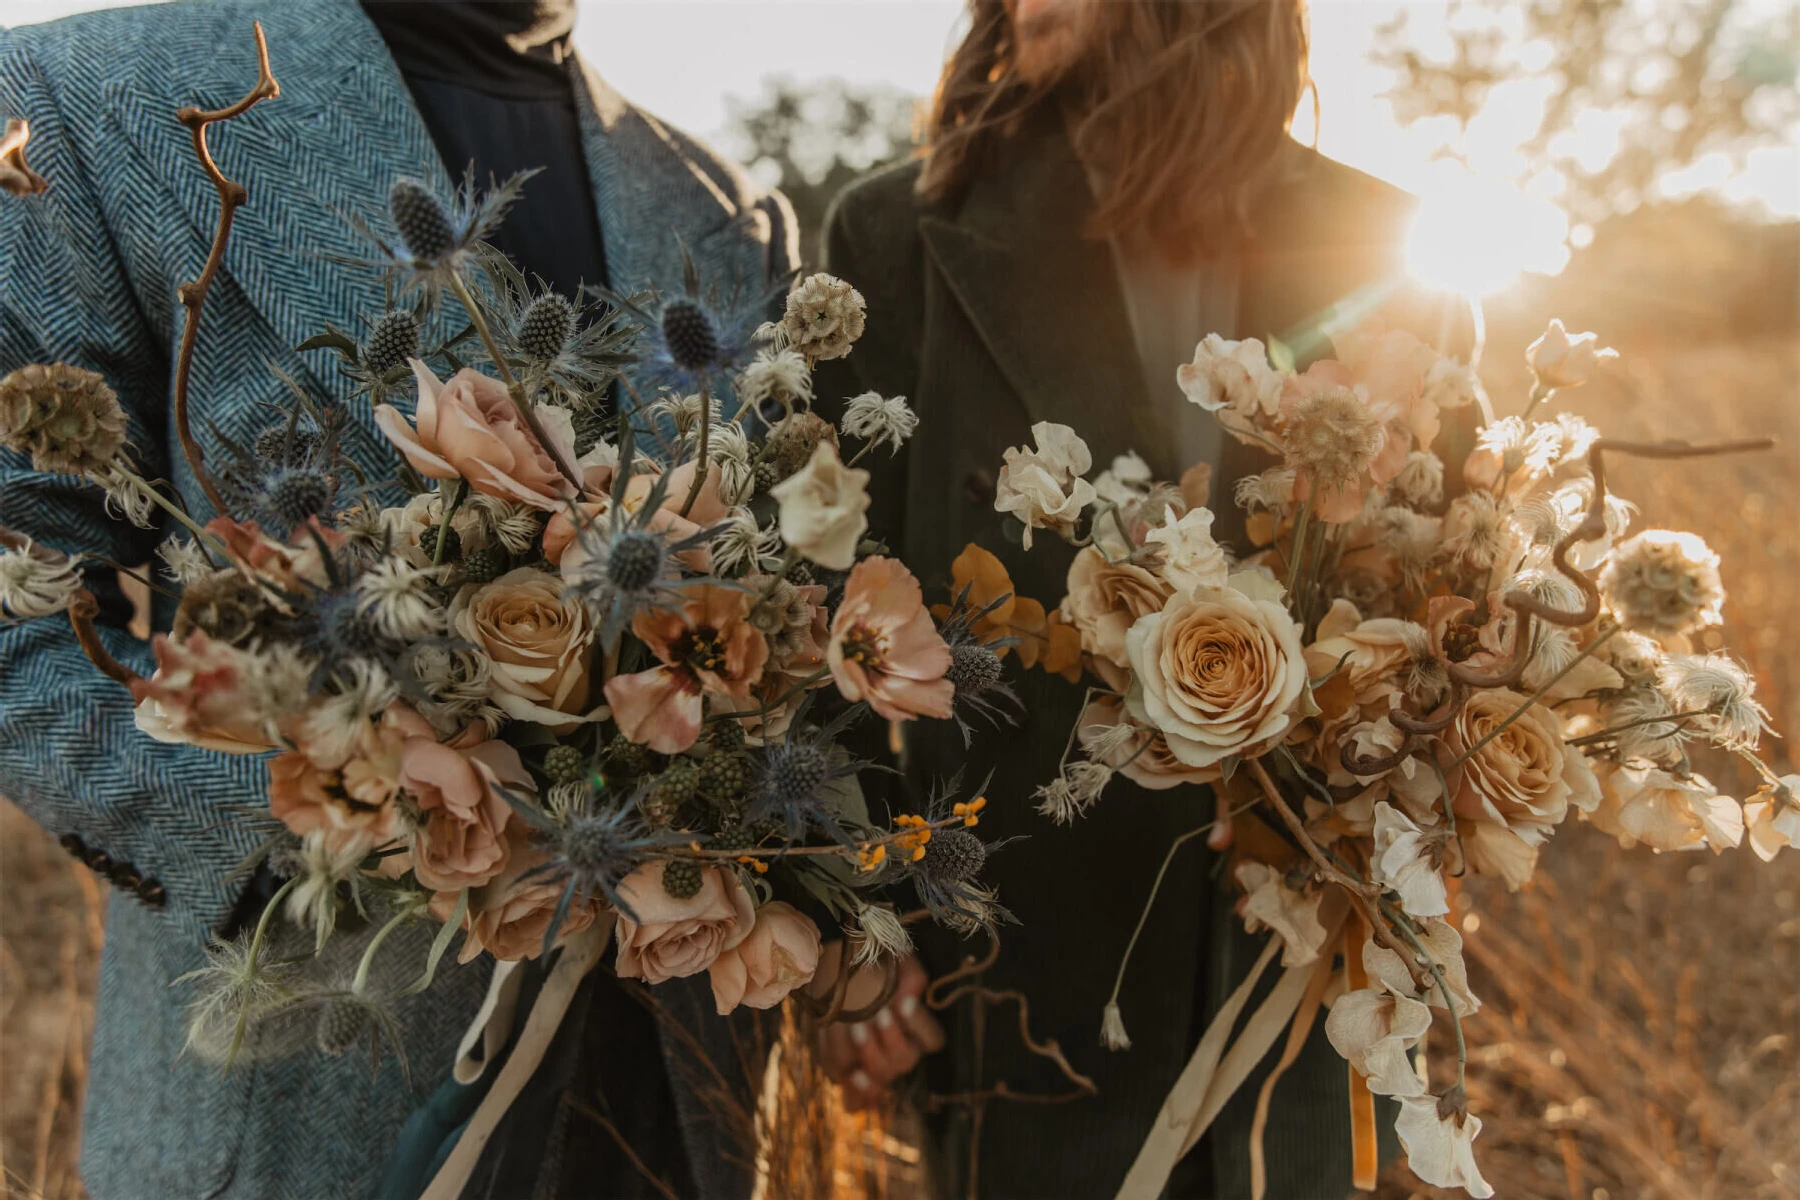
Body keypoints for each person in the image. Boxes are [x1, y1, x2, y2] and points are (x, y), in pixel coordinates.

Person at [0, 1, 795, 1196]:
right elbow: (19, 617)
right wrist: (342, 818)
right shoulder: (85, 95)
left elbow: (777, 610)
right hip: (307, 1085)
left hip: (667, 1094)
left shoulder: (723, 202)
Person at [816, 0, 1469, 1195]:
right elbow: (825, 609)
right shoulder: (900, 234)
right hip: (1026, 979)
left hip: (1293, 1000)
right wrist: (858, 921)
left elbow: (1448, 621)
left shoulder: (1390, 245)